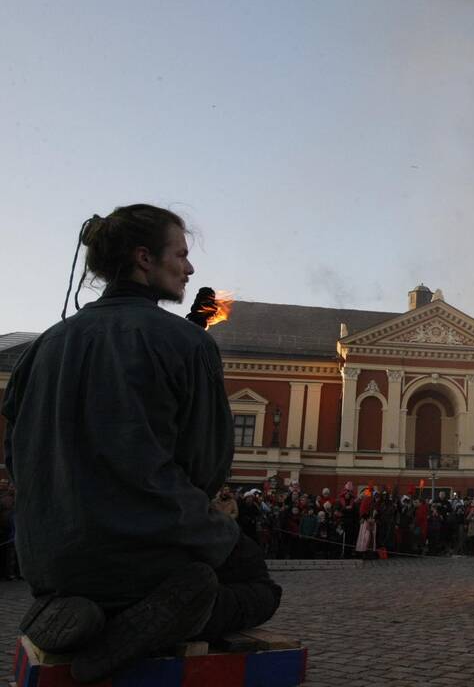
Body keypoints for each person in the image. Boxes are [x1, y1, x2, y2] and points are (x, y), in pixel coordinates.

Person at [1, 205, 281, 682]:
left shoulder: (42, 347)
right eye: (182, 254)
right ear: (144, 258)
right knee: (258, 583)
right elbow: (206, 464)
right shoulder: (187, 342)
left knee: (100, 578)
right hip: (147, 550)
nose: (190, 269)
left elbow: (16, 458)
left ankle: (77, 613)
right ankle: (139, 624)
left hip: (53, 561)